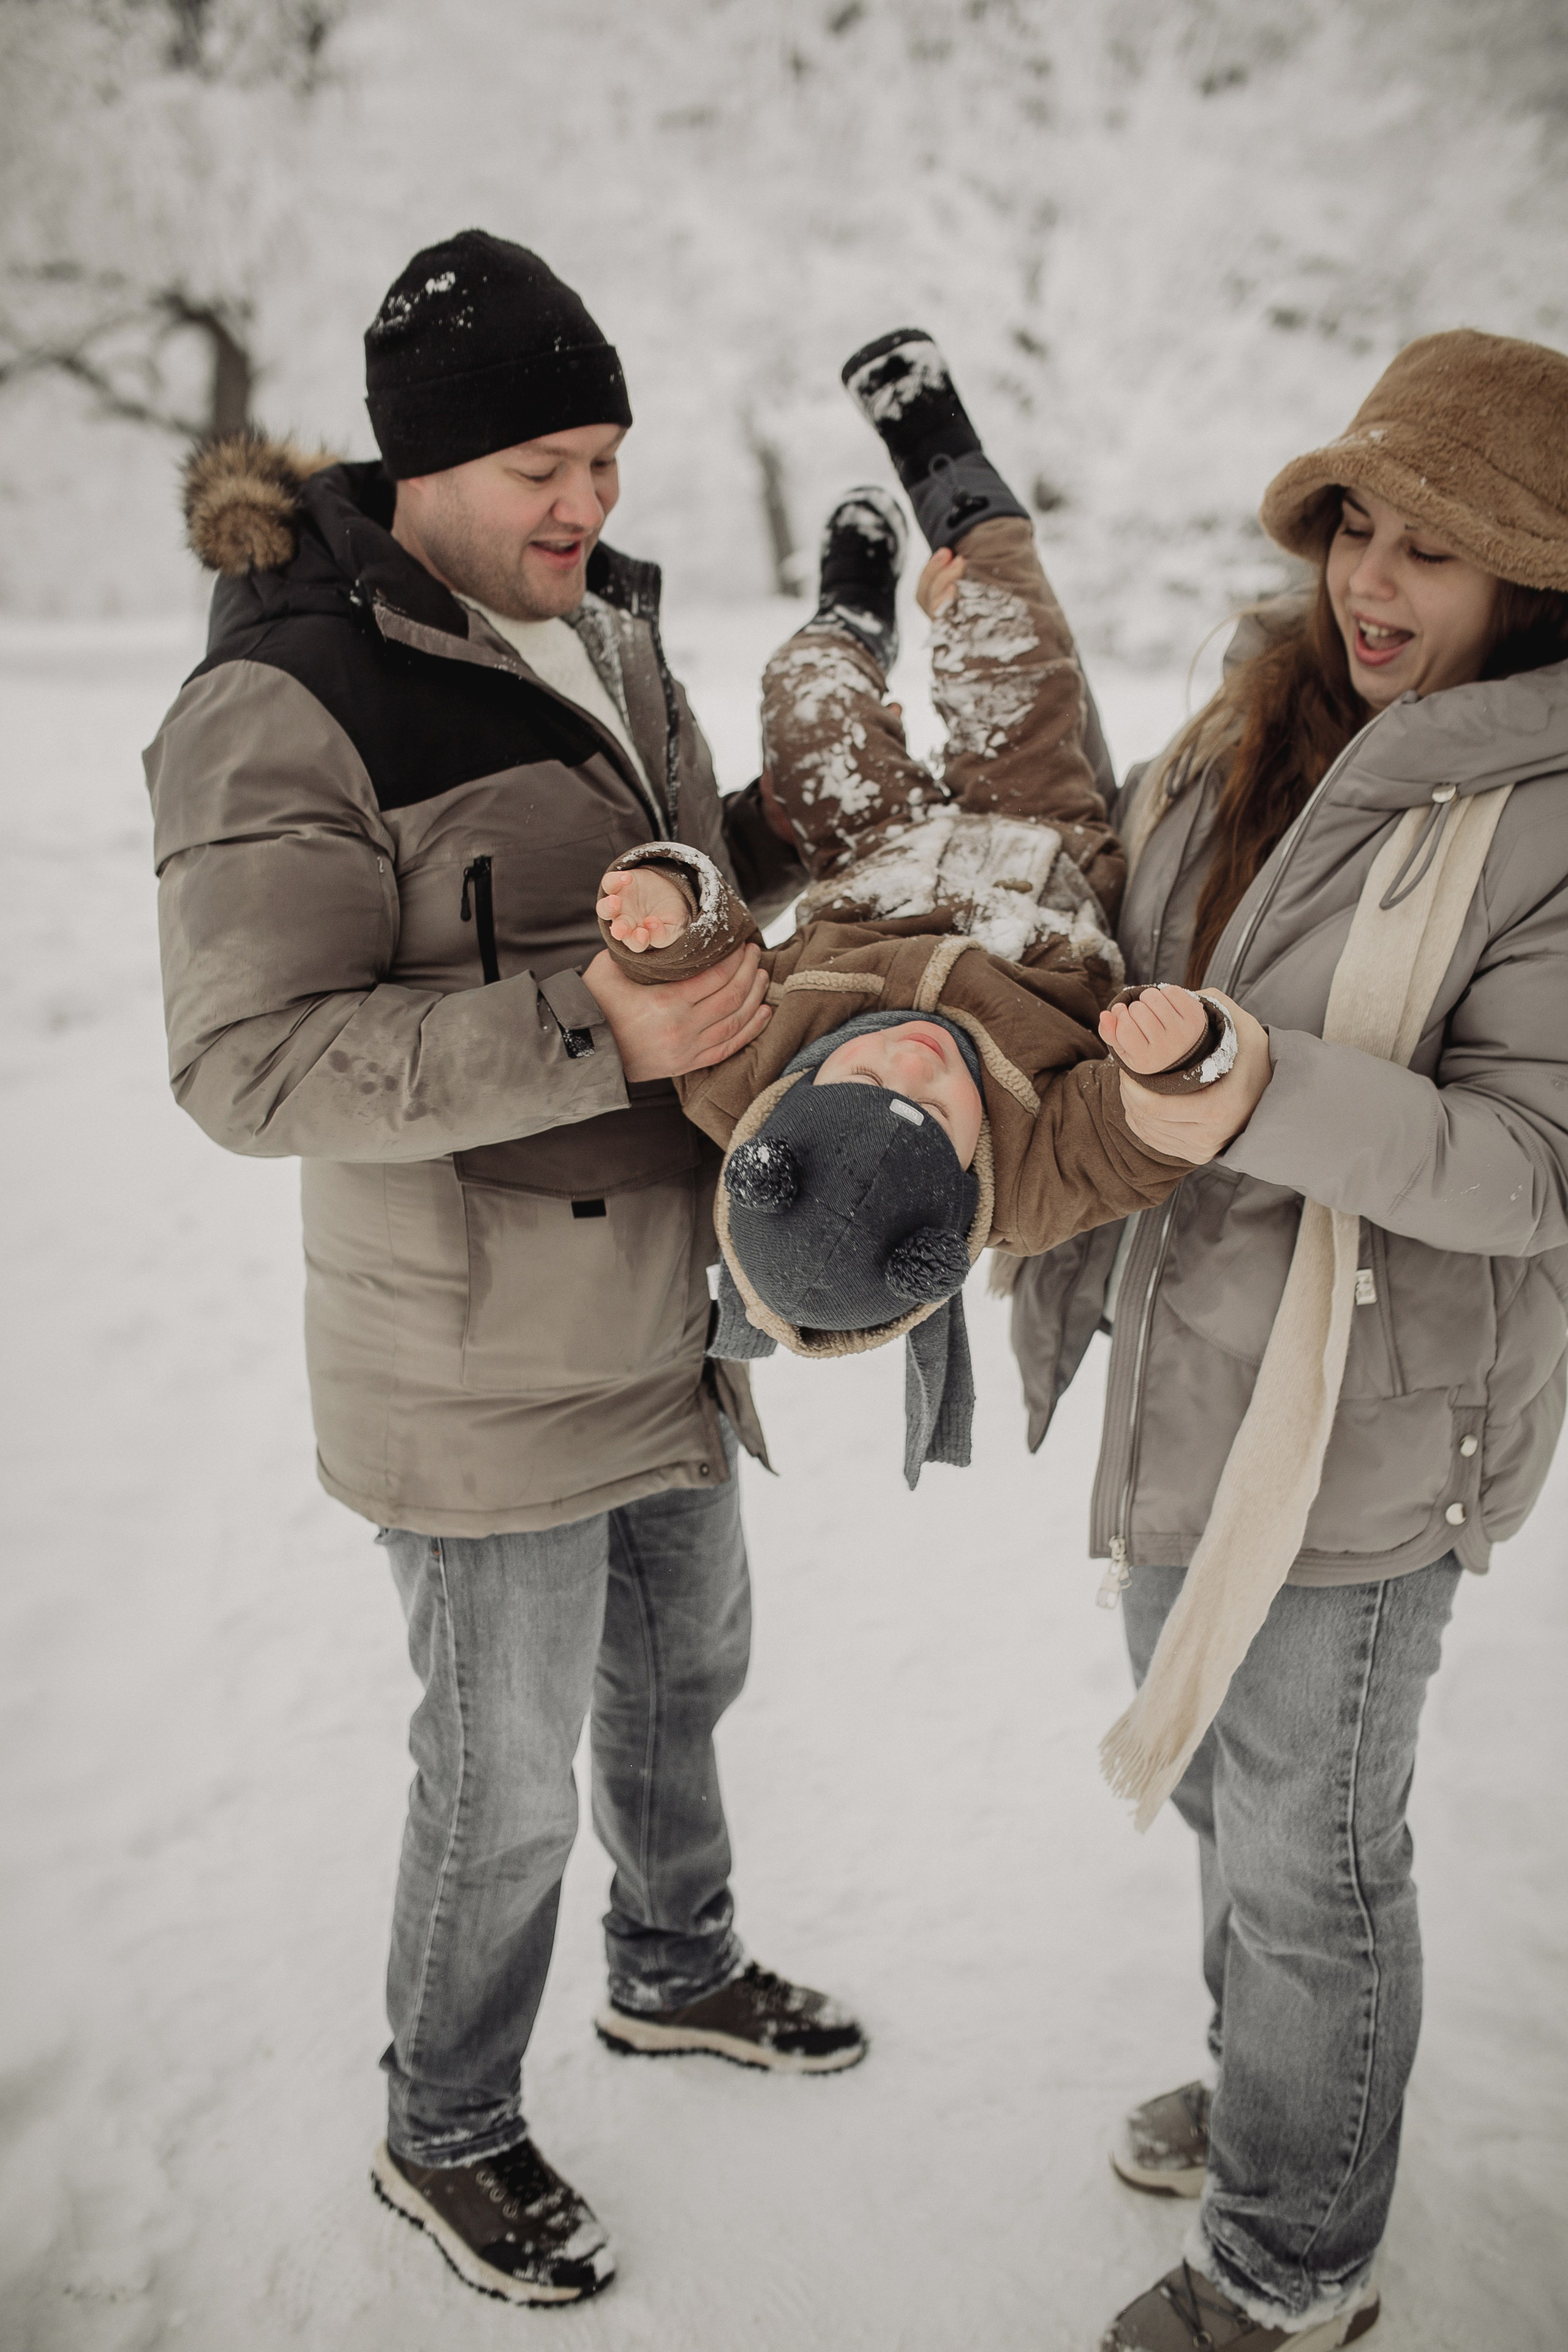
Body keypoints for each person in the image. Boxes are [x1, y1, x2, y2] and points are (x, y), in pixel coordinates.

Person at [143, 229, 870, 2310]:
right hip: (466, 1353)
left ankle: (676, 1969)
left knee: (686, 1674)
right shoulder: (286, 696)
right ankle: (445, 2127)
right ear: (428, 465)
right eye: (548, 460)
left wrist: (780, 833)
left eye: (612, 459)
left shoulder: (601, 634)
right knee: (505, 1778)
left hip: (667, 1296)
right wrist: (590, 1026)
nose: (589, 505)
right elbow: (245, 1063)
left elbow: (665, 890)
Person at [1007, 330, 1568, 2351]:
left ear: (1537, 585)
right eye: (1364, 526)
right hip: (1189, 1364)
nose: (1378, 581)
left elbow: (1533, 1167)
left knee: (1316, 1854)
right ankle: (1280, 2102)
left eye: (1444, 549)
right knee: (1235, 1807)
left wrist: (1258, 1092)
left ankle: (1296, 2256)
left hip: (1369, 1426)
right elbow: (1126, 963)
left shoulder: (1551, 810)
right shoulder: (1252, 729)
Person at [594, 333, 1268, 1486]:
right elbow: (1138, 1142)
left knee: (805, 710)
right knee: (1009, 643)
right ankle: (940, 448)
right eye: (937, 1108)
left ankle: (849, 622)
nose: (911, 1060)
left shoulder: (736, 1084)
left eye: (864, 1083)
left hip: (874, 861)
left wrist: (668, 912)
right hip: (1038, 855)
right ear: (962, 1194)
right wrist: (1176, 1066)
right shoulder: (1034, 1183)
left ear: (783, 1117)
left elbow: (703, 969)